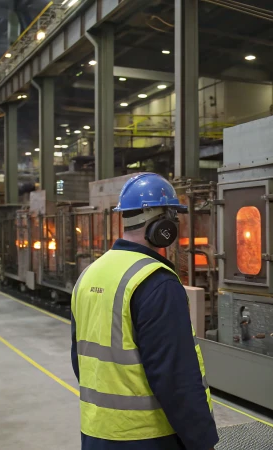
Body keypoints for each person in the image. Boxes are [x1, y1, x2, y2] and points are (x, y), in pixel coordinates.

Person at [71, 173, 218, 450]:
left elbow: (79, 359)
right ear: (161, 223)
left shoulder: (90, 274)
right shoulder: (156, 282)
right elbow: (176, 377)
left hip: (96, 431)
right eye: (173, 217)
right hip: (147, 436)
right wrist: (202, 440)